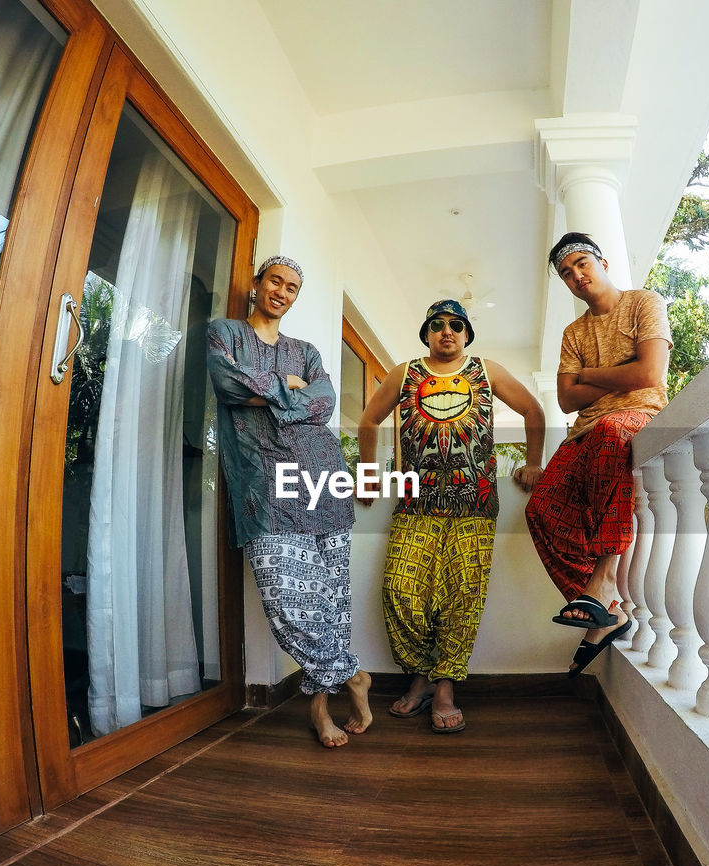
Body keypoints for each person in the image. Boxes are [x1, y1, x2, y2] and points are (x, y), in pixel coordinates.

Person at [357, 299, 545, 733]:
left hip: (474, 504)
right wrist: (368, 476)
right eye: (438, 325)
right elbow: (369, 421)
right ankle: (419, 678)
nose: (447, 332)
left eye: (456, 325)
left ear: (466, 334)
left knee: (463, 596)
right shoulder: (404, 372)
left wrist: (533, 462)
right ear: (427, 333)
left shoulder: (485, 369)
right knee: (401, 592)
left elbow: (533, 411)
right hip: (415, 503)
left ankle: (444, 688)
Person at [207, 255, 371, 748]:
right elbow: (226, 382)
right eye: (275, 281)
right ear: (257, 284)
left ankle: (320, 708)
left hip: (323, 476)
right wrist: (287, 390)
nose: (283, 291)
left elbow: (323, 404)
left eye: (293, 287)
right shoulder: (225, 333)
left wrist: (271, 392)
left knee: (330, 603)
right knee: (288, 600)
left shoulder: (306, 350)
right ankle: (355, 677)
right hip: (265, 484)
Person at [524, 233, 672, 676]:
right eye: (567, 273)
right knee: (541, 511)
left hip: (639, 416)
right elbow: (567, 400)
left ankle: (604, 578)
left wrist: (588, 374)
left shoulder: (644, 303)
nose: (577, 276)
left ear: (602, 262)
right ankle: (605, 608)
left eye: (582, 264)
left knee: (610, 431)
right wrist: (617, 374)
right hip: (583, 429)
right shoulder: (574, 333)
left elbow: (649, 373)